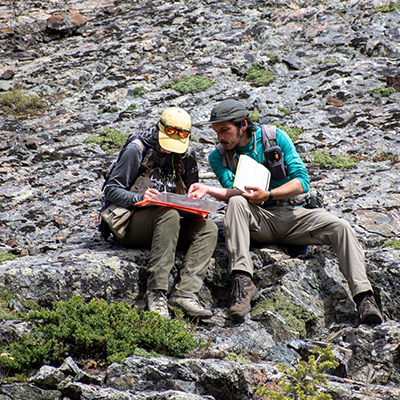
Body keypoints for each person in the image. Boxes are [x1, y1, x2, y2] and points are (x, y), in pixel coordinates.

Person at [188, 99, 383, 325]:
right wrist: (209, 189)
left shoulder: (275, 137)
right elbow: (235, 191)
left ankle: (364, 298)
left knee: (341, 227)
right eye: (216, 132)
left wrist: (269, 195)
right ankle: (242, 283)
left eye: (225, 130)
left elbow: (303, 182)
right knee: (237, 204)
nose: (220, 137)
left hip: (293, 215)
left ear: (242, 124)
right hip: (259, 221)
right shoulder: (218, 156)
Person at [104, 107, 218, 319]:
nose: (170, 151)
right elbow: (111, 190)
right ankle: (156, 293)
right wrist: (142, 198)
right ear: (158, 130)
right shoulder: (137, 150)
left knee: (208, 229)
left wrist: (195, 205)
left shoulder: (187, 157)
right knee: (169, 214)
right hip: (132, 224)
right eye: (167, 145)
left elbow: (189, 194)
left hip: (169, 227)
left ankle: (185, 294)